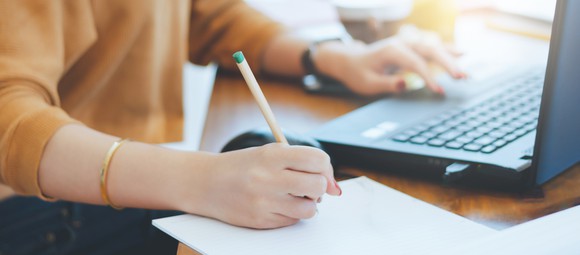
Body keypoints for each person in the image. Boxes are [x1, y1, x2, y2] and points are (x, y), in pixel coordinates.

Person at [0, 0, 462, 254]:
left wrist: (327, 57)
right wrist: (199, 180)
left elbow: (208, 15)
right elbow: (8, 117)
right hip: (32, 204)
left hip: (123, 167)